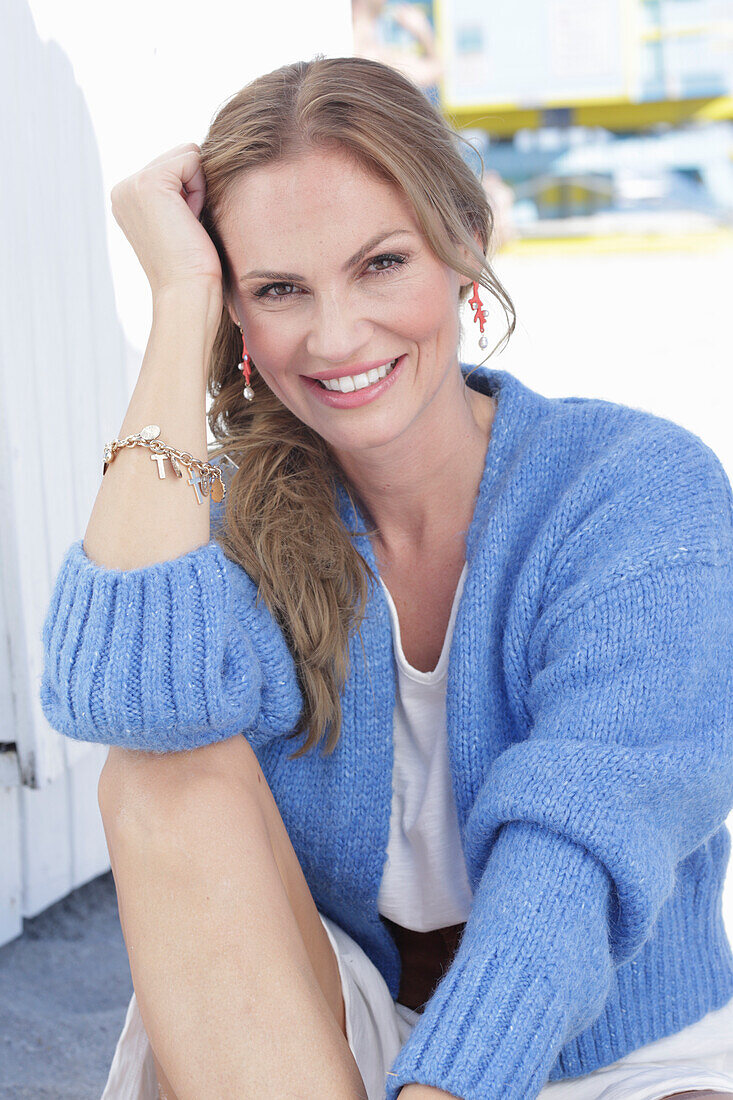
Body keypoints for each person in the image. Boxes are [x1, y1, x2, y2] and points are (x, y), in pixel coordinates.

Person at [39, 55, 733, 1100]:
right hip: (329, 1029)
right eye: (277, 288)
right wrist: (180, 303)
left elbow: (574, 857)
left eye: (380, 264)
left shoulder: (631, 488)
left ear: (464, 249)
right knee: (157, 769)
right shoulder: (246, 521)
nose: (335, 335)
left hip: (611, 1040)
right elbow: (122, 703)